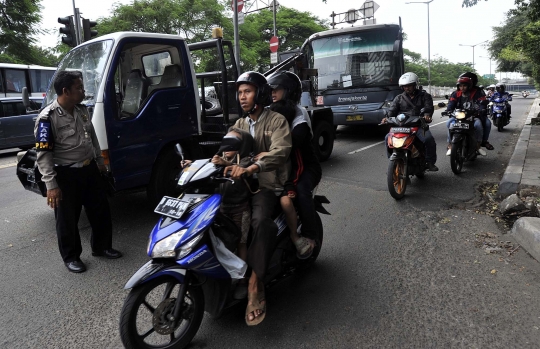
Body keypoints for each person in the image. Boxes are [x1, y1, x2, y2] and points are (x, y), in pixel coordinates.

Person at [34, 71, 122, 273]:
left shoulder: (82, 110)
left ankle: (102, 247)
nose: (83, 92)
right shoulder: (47, 118)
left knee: (100, 211)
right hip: (66, 175)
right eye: (79, 88)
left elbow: (92, 138)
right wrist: (51, 186)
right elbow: (43, 155)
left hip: (89, 169)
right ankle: (71, 257)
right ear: (65, 91)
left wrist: (100, 164)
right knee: (67, 219)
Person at [225, 71, 292, 326]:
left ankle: (255, 283)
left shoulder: (276, 121)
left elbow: (281, 151)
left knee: (261, 222)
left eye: (248, 92)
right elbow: (227, 150)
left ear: (260, 94)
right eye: (240, 93)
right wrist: (210, 161)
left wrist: (253, 167)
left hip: (266, 186)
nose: (242, 97)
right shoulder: (240, 124)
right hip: (240, 187)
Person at [267, 70, 322, 259]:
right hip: (280, 166)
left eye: (277, 89)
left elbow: (292, 143)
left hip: (305, 166)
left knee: (301, 190)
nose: (272, 92)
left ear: (289, 90)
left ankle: (309, 236)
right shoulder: (270, 109)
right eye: (271, 89)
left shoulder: (300, 114)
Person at [211, 128, 255, 299]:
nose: (227, 147)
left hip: (240, 209)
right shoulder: (220, 159)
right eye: (226, 142)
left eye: (233, 143)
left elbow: (242, 169)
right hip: (222, 208)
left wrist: (226, 164)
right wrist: (190, 165)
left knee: (241, 243)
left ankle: (243, 279)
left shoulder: (245, 160)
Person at [382, 72, 439, 171]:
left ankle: (430, 162)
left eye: (409, 86)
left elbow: (428, 108)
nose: (407, 88)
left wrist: (427, 116)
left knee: (428, 139)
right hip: (402, 125)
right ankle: (393, 162)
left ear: (415, 85)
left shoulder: (425, 96)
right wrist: (386, 118)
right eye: (404, 86)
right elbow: (392, 111)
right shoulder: (399, 98)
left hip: (417, 125)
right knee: (388, 138)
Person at [444, 75, 491, 156]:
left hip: (473, 116)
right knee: (449, 123)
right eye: (460, 86)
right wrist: (448, 110)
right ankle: (450, 144)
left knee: (479, 125)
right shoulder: (455, 94)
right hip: (458, 116)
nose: (462, 88)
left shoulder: (478, 92)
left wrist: (481, 109)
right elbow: (451, 103)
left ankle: (478, 145)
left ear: (469, 86)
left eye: (465, 85)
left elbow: (482, 103)